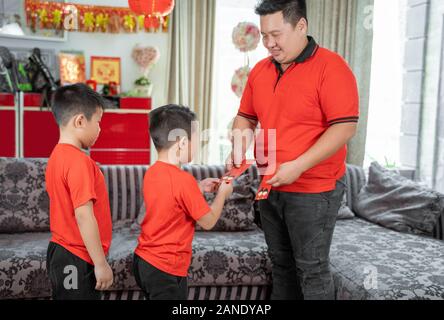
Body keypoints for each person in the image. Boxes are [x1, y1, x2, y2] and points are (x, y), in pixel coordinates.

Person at [227, 0, 359, 300]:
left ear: (301, 26)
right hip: (270, 185)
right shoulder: (260, 70)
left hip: (315, 190)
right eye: (264, 36)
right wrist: (238, 144)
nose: (269, 44)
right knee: (281, 265)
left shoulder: (332, 67)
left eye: (276, 34)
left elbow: (345, 127)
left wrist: (298, 165)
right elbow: (245, 117)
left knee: (311, 269)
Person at [133, 105, 233, 300]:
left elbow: (170, 195)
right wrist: (222, 194)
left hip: (143, 262)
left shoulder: (152, 172)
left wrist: (198, 186)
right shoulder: (183, 180)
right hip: (166, 269)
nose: (197, 145)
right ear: (182, 143)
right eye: (196, 141)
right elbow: (208, 221)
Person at [45, 83, 113, 300]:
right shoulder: (79, 161)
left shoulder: (57, 156)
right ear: (80, 121)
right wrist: (101, 263)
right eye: (98, 122)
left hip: (63, 253)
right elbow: (84, 216)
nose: (100, 129)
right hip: (75, 256)